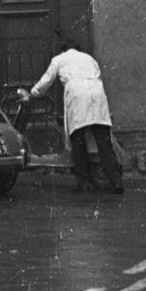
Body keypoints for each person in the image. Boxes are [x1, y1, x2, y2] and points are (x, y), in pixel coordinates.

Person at [30, 44, 123, 194]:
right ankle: (117, 182)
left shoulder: (59, 58)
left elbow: (47, 80)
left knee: (78, 141)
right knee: (104, 142)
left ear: (63, 50)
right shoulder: (90, 59)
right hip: (97, 93)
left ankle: (84, 183)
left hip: (78, 95)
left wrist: (33, 93)